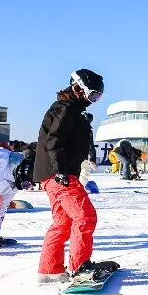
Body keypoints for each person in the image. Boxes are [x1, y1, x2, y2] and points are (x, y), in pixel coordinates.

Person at [35, 69, 114, 283]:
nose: (93, 100)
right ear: (79, 87)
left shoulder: (68, 109)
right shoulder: (66, 109)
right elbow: (53, 141)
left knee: (63, 222)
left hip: (52, 174)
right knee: (85, 217)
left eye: (98, 97)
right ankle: (80, 268)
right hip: (60, 174)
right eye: (93, 95)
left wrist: (83, 123)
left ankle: (50, 269)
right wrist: (60, 170)